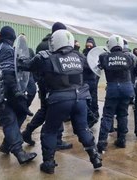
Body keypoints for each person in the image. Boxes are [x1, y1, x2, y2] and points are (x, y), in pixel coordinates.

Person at [18, 29, 102, 174]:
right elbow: (92, 70)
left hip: (59, 100)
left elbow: (27, 65)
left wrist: (18, 59)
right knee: (83, 129)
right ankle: (95, 158)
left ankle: (49, 164)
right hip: (80, 99)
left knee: (49, 131)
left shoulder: (45, 57)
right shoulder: (79, 56)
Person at [21, 22, 72, 150]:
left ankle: (27, 131)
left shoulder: (41, 45)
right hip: (54, 85)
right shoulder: (57, 46)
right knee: (57, 110)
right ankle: (58, 140)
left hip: (43, 83)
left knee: (44, 110)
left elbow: (35, 65)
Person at [0, 25, 37, 164]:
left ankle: (6, 145)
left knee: (19, 114)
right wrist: (16, 91)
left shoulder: (0, 47)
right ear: (11, 37)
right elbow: (7, 73)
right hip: (3, 92)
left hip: (1, 91)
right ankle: (19, 152)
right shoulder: (6, 49)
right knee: (9, 119)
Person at [97, 35, 135, 152]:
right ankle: (122, 140)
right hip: (127, 87)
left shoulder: (104, 57)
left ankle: (102, 142)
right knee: (123, 114)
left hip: (113, 87)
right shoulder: (129, 57)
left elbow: (98, 67)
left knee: (108, 115)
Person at [83, 37, 99, 119]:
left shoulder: (95, 55)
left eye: (90, 46)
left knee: (93, 98)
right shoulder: (83, 54)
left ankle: (94, 113)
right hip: (85, 80)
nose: (88, 47)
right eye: (87, 46)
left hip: (93, 79)